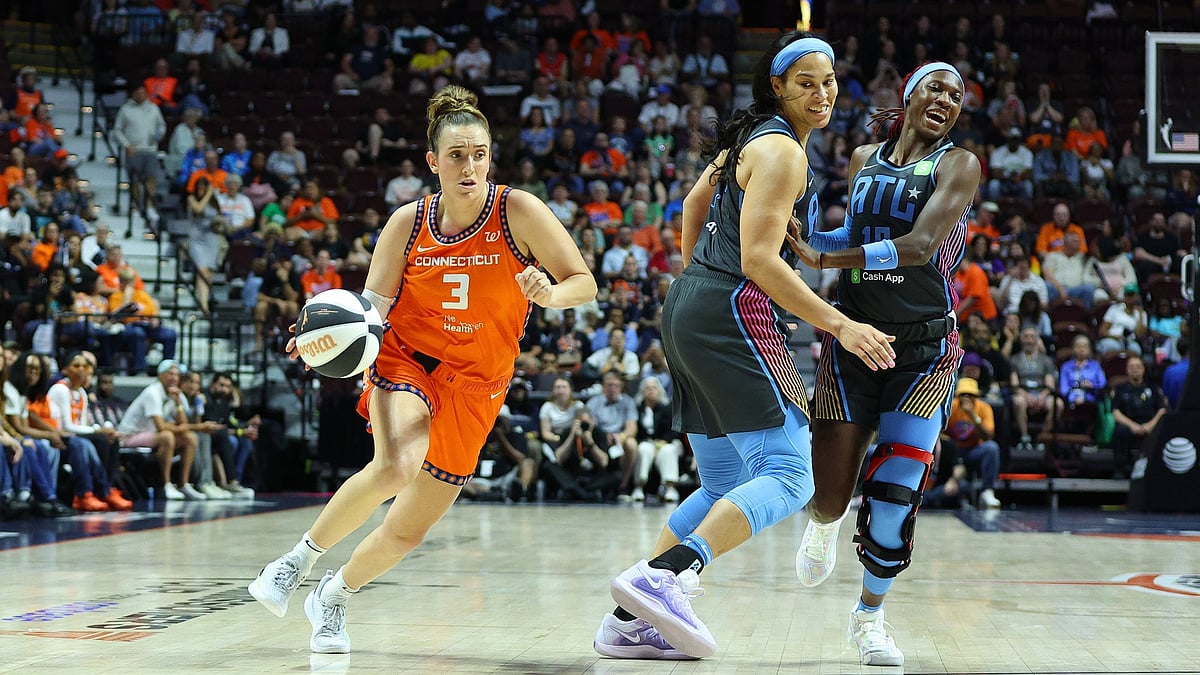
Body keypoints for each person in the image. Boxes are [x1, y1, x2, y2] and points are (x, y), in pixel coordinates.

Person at [247, 85, 596, 654]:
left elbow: (584, 282)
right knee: (397, 465)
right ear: (433, 161)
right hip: (407, 359)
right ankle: (294, 563)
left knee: (408, 529)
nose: (469, 165)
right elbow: (372, 311)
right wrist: (324, 334)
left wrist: (550, 295)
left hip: (479, 383)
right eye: (456, 154)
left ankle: (333, 595)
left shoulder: (519, 211)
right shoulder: (408, 223)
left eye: (479, 154)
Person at [596, 33, 894, 661]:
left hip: (692, 303)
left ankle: (627, 621)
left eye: (830, 79)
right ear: (778, 87)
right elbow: (759, 260)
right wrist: (840, 325)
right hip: (732, 307)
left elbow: (693, 201)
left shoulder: (749, 139)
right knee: (790, 476)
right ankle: (669, 573)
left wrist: (700, 272)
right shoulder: (784, 152)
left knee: (724, 478)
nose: (822, 92)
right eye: (806, 81)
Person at [789, 61, 979, 667]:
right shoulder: (863, 155)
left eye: (956, 94)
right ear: (909, 93)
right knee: (829, 491)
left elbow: (920, 247)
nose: (945, 99)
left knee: (896, 493)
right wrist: (811, 239)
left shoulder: (959, 165)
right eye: (936, 87)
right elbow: (862, 226)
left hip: (924, 352)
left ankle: (868, 617)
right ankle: (823, 522)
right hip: (853, 337)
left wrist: (829, 254)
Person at [940, 378, 1002, 508]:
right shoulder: (951, 406)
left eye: (970, 395)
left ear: (976, 396)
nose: (966, 398)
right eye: (963, 395)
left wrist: (972, 415)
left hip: (974, 451)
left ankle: (987, 491)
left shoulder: (984, 408)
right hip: (954, 453)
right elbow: (940, 432)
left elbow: (989, 435)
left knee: (992, 448)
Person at [1110, 357, 1168, 479]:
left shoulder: (1153, 388)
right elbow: (1116, 412)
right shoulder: (1120, 389)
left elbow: (1162, 410)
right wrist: (1133, 426)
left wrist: (1149, 426)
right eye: (1132, 367)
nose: (1135, 370)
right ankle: (1120, 468)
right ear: (1127, 370)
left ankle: (1159, 469)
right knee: (1120, 431)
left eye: (1138, 367)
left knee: (1162, 431)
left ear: (1143, 369)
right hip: (1129, 424)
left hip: (1150, 423)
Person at [1009, 327, 1062, 450]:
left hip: (1042, 392)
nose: (1029, 340)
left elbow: (1050, 384)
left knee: (1058, 404)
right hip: (1023, 393)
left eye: (1032, 337)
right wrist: (1028, 397)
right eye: (1026, 337)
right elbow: (1014, 384)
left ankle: (1042, 437)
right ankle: (1025, 437)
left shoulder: (1046, 360)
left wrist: (1042, 397)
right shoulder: (1014, 359)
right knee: (1018, 401)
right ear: (1021, 340)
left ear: (1037, 340)